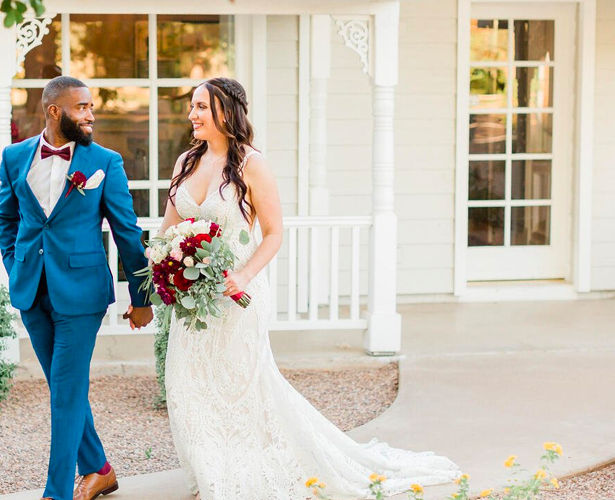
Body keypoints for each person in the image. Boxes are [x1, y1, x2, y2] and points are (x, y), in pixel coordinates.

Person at [159, 77, 462, 499]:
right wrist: (164, 270)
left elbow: (273, 233)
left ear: (225, 112)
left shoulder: (251, 164)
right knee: (186, 385)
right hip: (192, 303)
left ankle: (238, 477)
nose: (192, 114)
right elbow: (168, 230)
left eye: (201, 107)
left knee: (237, 388)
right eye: (191, 107)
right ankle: (212, 472)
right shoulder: (184, 164)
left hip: (237, 296)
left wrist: (243, 277)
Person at [0, 76, 154, 500]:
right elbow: (6, 219)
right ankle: (99, 469)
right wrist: (15, 266)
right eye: (82, 107)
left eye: (90, 107)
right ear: (54, 111)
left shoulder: (106, 161)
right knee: (63, 386)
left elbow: (126, 231)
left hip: (82, 294)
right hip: (32, 289)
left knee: (65, 392)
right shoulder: (14, 158)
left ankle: (56, 493)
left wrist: (141, 298)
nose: (90, 114)